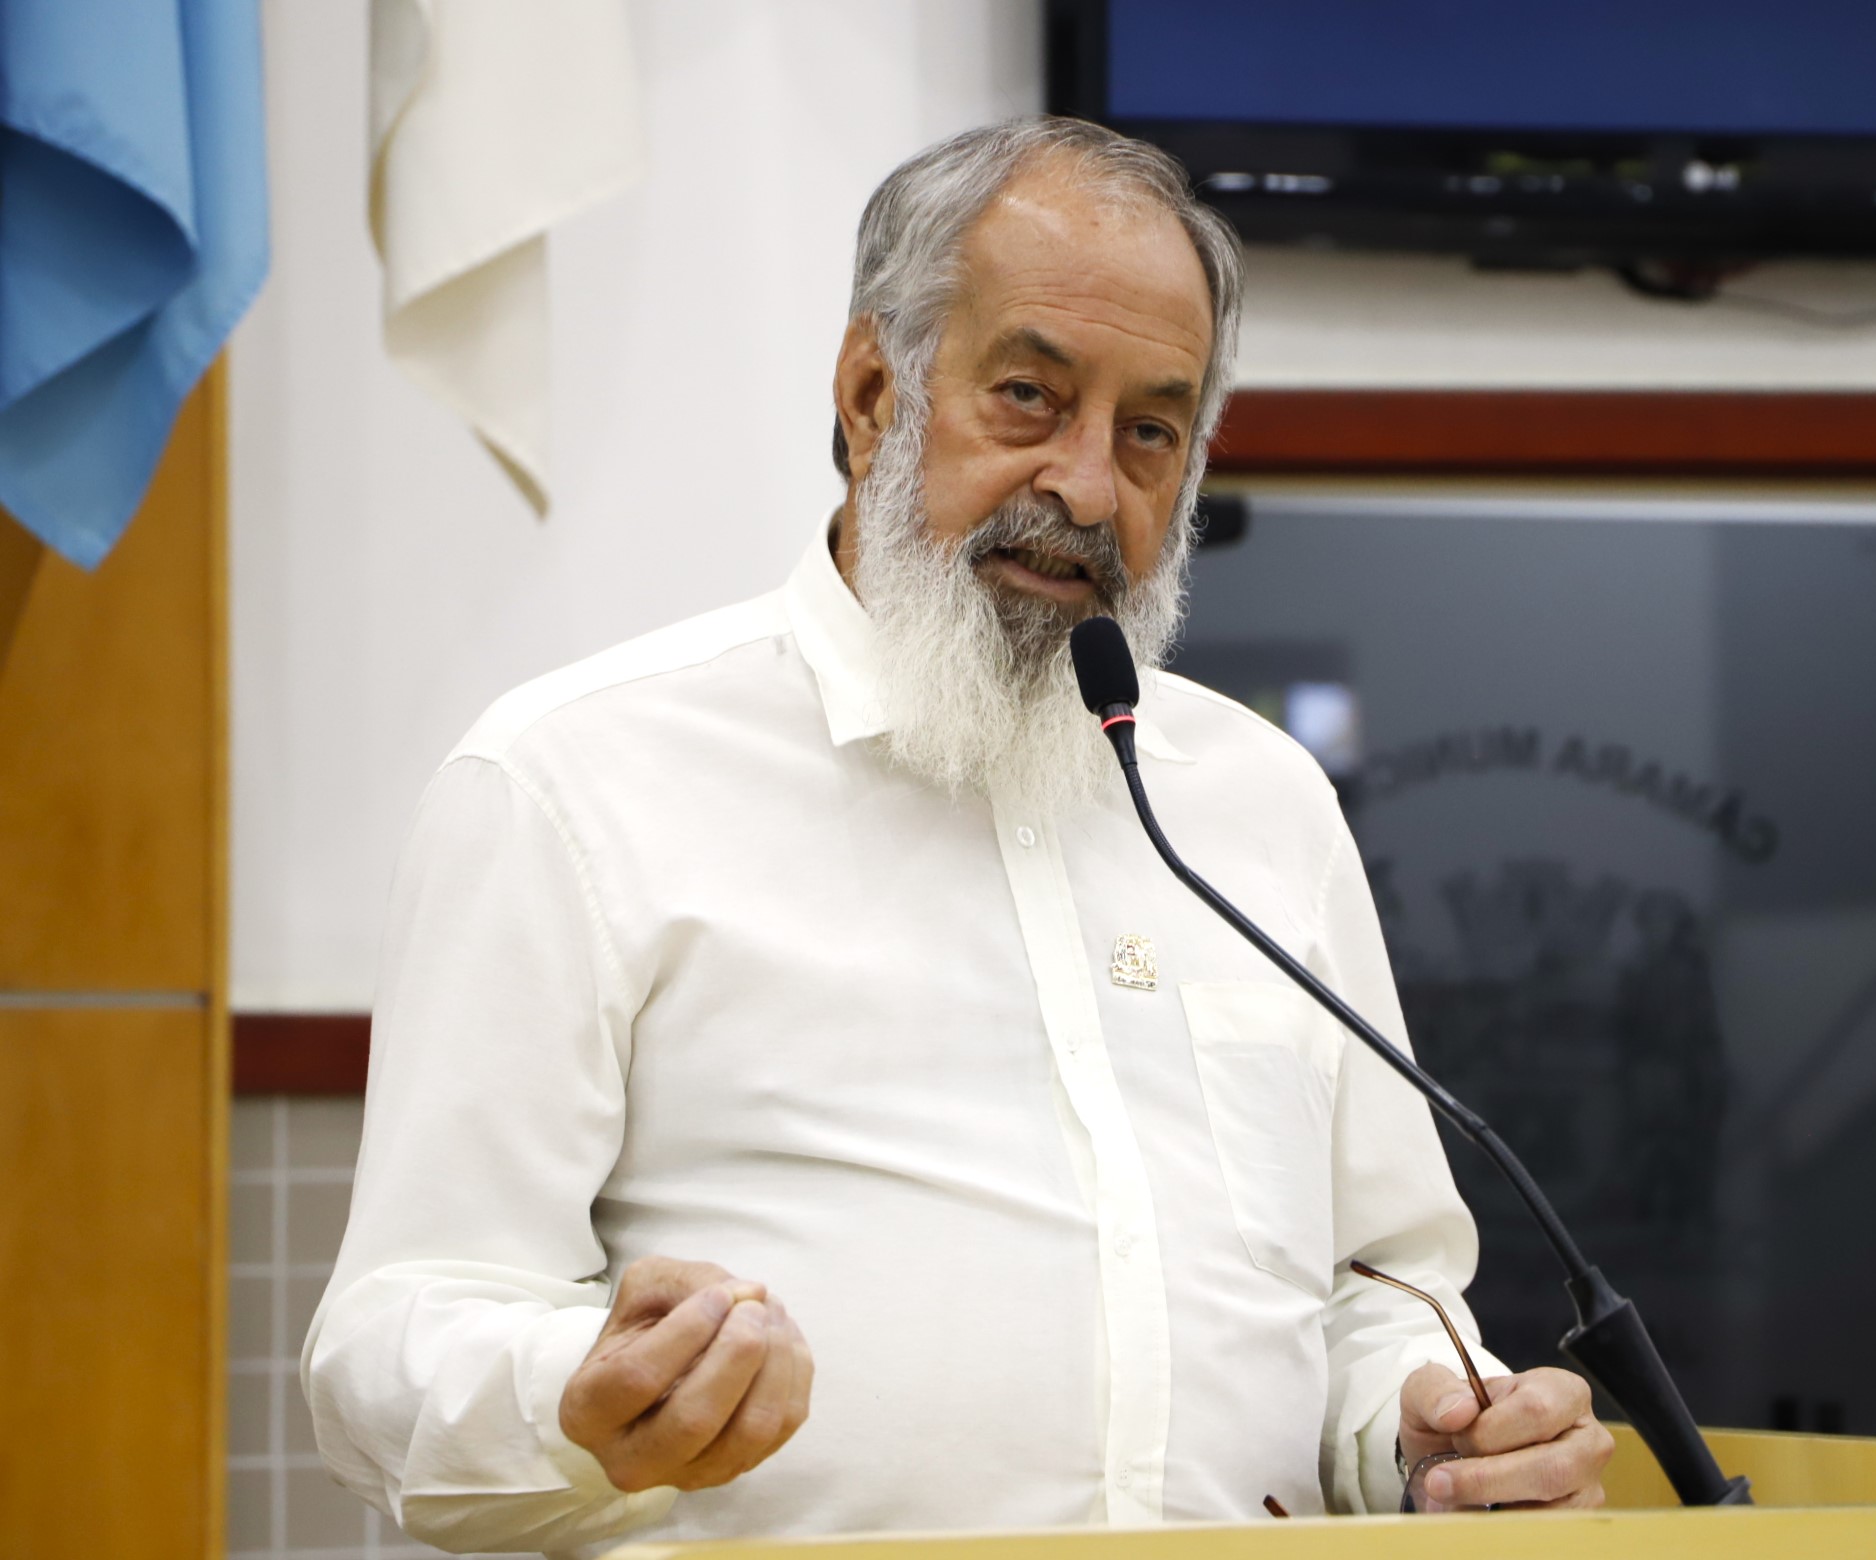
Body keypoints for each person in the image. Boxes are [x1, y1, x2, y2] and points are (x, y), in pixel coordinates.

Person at [303, 117, 1613, 1557]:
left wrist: (1429, 1438)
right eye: (1029, 399)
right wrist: (579, 1391)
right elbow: (390, 1345)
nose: (1089, 489)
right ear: (874, 394)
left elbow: (1377, 1292)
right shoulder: (573, 781)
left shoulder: (1261, 801)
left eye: (1151, 431)